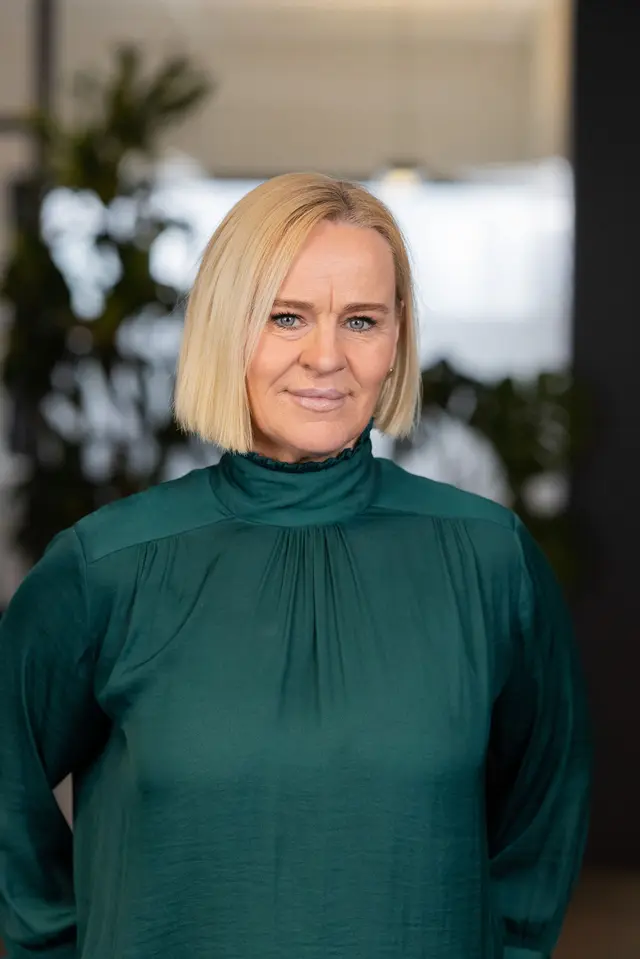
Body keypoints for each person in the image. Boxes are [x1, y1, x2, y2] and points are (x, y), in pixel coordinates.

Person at [0, 173, 591, 959]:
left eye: (361, 320)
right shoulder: (105, 568)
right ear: (226, 328)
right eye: (287, 316)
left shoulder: (490, 559)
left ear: (396, 340)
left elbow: (545, 815)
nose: (326, 357)